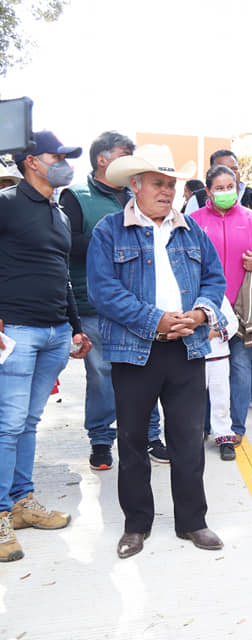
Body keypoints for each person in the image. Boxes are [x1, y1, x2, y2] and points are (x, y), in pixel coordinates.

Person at [87, 144, 227, 559]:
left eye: (171, 184)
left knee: (187, 440)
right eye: (158, 184)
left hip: (187, 348)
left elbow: (214, 277)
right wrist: (156, 320)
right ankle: (136, 525)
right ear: (135, 185)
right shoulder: (109, 230)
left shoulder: (190, 229)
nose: (166, 191)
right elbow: (102, 291)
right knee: (131, 442)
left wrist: (201, 314)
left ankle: (192, 521)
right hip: (135, 352)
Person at [0, 130, 92, 563]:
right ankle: (1, 515)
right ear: (31, 161)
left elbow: (62, 274)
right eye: (57, 156)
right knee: (8, 424)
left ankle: (22, 502)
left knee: (28, 423)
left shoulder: (58, 214)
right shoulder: (7, 205)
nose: (65, 163)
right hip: (16, 331)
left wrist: (74, 327)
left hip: (55, 333)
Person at [60, 131, 168, 470]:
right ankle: (102, 441)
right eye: (125, 153)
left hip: (141, 305)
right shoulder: (75, 196)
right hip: (94, 304)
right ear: (103, 159)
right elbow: (67, 244)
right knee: (102, 374)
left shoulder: (135, 194)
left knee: (146, 369)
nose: (131, 158)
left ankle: (151, 436)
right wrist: (111, 238)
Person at [190, 164, 252, 452]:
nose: (227, 192)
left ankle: (235, 426)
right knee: (202, 371)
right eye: (220, 188)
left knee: (239, 369)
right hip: (205, 310)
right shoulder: (193, 221)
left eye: (231, 186)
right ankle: (202, 425)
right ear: (208, 191)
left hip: (243, 310)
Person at [204, 295, 240, 460]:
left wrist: (216, 332)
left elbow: (233, 324)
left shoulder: (217, 296)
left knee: (221, 399)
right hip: (192, 359)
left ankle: (224, 436)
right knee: (192, 400)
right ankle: (194, 435)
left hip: (218, 356)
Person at [182, 150, 252, 217]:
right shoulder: (197, 200)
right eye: (224, 169)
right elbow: (188, 232)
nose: (231, 174)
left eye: (234, 169)